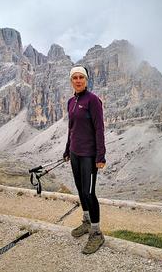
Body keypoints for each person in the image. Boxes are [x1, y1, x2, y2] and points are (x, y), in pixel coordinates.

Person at [63, 65, 106, 254]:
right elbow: (71, 128)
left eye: (81, 77)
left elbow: (99, 129)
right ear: (71, 81)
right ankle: (87, 222)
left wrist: (100, 155)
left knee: (89, 193)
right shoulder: (71, 102)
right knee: (80, 191)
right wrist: (67, 149)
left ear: (86, 80)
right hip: (74, 153)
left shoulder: (93, 100)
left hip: (89, 155)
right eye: (75, 78)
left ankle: (97, 233)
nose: (78, 80)